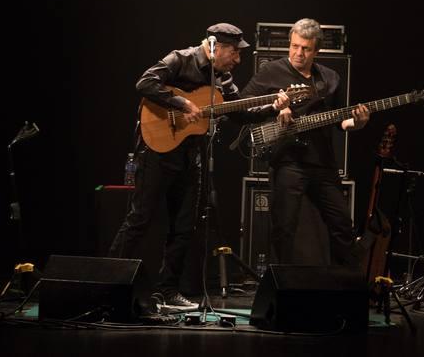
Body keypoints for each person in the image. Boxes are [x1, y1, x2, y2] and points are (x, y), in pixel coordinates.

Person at [109, 22, 289, 313]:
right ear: (215, 45)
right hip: (156, 151)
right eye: (234, 51)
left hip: (189, 155)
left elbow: (240, 111)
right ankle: (110, 283)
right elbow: (144, 83)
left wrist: (273, 107)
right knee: (140, 218)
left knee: (184, 226)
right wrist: (181, 103)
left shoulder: (223, 77)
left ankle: (167, 291)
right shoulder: (180, 59)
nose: (238, 59)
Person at [241, 18, 369, 266]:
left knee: (342, 224)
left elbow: (341, 120)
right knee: (284, 227)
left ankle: (343, 284)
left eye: (306, 48)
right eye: (295, 46)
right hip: (288, 162)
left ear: (316, 51)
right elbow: (244, 104)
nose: (298, 53)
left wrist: (358, 123)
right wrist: (274, 108)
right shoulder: (271, 71)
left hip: (322, 163)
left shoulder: (330, 78)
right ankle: (280, 286)